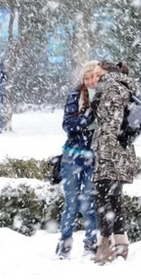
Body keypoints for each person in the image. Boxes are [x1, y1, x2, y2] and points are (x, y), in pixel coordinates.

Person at [91, 60, 138, 265]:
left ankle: (106, 245)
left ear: (107, 74)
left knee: (103, 200)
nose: (94, 79)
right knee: (114, 199)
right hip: (120, 152)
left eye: (97, 74)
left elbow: (111, 123)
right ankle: (120, 245)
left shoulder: (111, 89)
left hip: (111, 154)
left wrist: (105, 152)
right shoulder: (121, 87)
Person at [55, 61, 99, 259]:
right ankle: (64, 245)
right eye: (86, 78)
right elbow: (67, 124)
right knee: (71, 203)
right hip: (72, 156)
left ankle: (91, 245)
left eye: (93, 77)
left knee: (89, 203)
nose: (90, 81)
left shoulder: (104, 97)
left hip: (94, 158)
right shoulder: (75, 95)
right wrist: (86, 118)